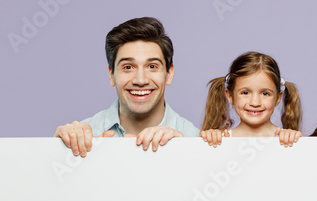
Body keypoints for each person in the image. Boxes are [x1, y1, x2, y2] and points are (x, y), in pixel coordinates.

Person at [54, 17, 199, 157]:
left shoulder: (195, 140)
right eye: (128, 67)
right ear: (111, 75)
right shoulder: (82, 137)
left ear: (169, 74)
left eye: (152, 66)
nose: (140, 80)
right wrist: (57, 150)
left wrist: (184, 154)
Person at [200, 51, 302, 148]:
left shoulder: (288, 139)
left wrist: (297, 143)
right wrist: (206, 143)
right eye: (245, 93)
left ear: (278, 98)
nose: (255, 102)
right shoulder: (220, 140)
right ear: (230, 96)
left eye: (265, 93)